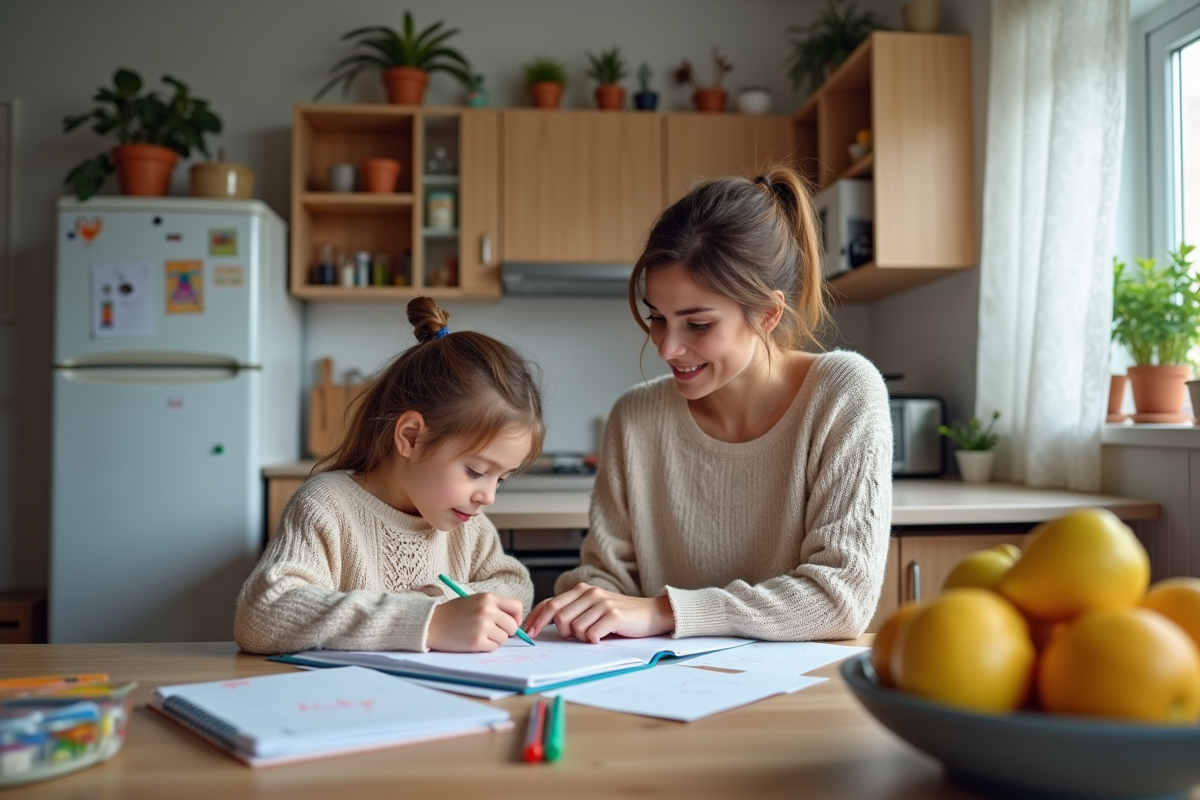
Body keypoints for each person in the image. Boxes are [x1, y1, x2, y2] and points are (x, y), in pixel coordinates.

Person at [524, 166, 892, 644]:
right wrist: (586, 603)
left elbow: (842, 598)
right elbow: (609, 581)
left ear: (768, 313)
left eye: (697, 325)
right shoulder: (634, 419)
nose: (666, 348)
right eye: (657, 317)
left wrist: (665, 611)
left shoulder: (843, 393)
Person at [235, 297, 543, 655]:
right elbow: (262, 616)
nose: (487, 496)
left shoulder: (467, 526)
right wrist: (428, 621)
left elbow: (515, 587)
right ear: (411, 437)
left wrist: (446, 599)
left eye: (500, 479)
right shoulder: (327, 507)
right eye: (476, 471)